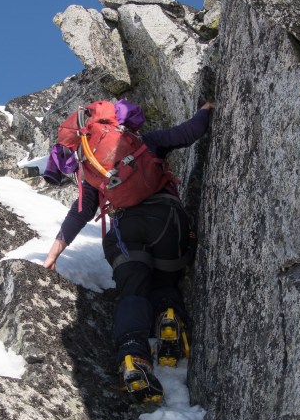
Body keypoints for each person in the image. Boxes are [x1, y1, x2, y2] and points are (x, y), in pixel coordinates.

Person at [43, 100, 214, 403]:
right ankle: (169, 316)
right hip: (168, 220)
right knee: (166, 280)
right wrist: (206, 110)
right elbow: (190, 132)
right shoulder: (145, 143)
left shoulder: (93, 172)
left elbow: (80, 212)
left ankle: (134, 357)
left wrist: (55, 252)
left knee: (134, 290)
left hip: (126, 229)